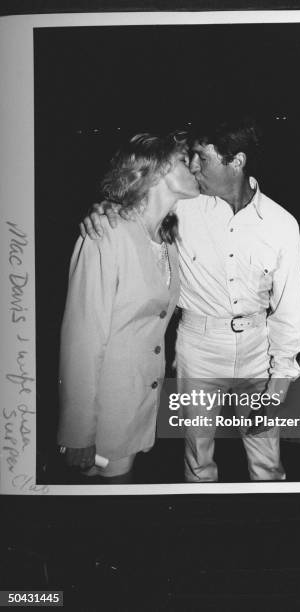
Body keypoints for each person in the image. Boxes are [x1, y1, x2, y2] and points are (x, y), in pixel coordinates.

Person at [80, 116, 300, 482]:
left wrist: (279, 383)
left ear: (237, 161)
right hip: (198, 348)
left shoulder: (282, 224)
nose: (194, 167)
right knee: (197, 459)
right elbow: (136, 208)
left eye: (203, 157)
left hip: (258, 349)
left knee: (267, 460)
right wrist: (103, 208)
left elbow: (290, 308)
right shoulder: (183, 206)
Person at [58, 133, 199, 483]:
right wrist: (77, 432)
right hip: (104, 415)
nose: (194, 166)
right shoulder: (106, 234)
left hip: (140, 408)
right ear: (157, 171)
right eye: (184, 160)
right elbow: (81, 341)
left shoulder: (166, 239)